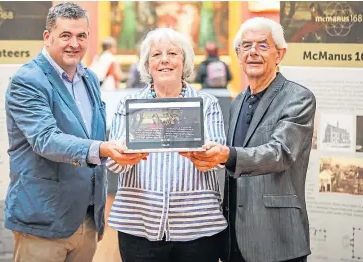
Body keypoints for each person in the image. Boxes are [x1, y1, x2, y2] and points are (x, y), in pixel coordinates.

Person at [4, 3, 146, 262]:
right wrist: (103, 149)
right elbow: (45, 139)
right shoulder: (27, 81)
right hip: (43, 222)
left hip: (87, 218)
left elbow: (94, 133)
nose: (74, 43)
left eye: (81, 36)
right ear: (48, 37)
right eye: (66, 35)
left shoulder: (89, 78)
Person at [182, 17, 316, 262]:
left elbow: (280, 153)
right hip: (234, 239)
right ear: (237, 54)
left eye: (263, 45)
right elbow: (234, 164)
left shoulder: (298, 98)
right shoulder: (238, 102)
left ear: (280, 54)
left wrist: (227, 155)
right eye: (246, 46)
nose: (253, 52)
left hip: (276, 237)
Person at [106, 28, 227, 262]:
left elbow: (217, 163)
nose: (164, 60)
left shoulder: (207, 103)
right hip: (138, 226)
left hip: (197, 227)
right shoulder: (129, 104)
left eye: (172, 53)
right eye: (156, 55)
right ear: (147, 64)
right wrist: (121, 155)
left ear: (184, 62)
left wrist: (206, 156)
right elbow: (114, 165)